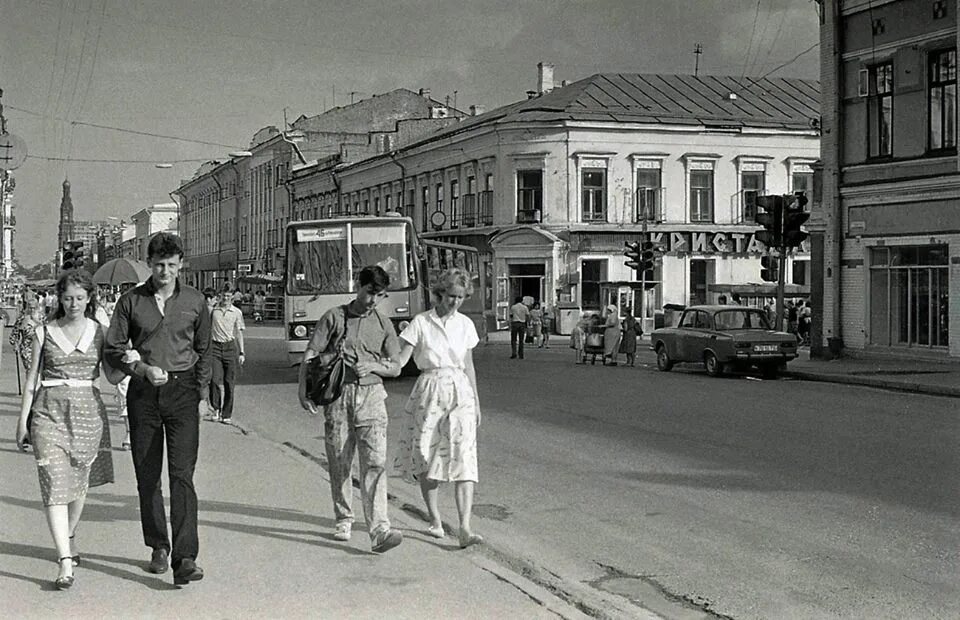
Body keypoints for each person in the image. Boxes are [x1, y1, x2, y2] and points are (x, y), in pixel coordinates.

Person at [105, 232, 211, 586]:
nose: (164, 271)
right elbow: (113, 350)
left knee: (182, 475)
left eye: (171, 264)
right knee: (148, 476)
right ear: (149, 264)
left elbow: (204, 349)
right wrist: (141, 369)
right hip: (144, 394)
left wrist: (200, 391)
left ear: (181, 264)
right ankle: (158, 547)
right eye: (158, 265)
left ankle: (185, 557)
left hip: (182, 394)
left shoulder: (196, 301)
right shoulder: (130, 301)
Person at [16, 269, 119, 589]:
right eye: (67, 298)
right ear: (59, 299)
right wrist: (22, 422)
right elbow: (32, 379)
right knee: (54, 483)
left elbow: (113, 377)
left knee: (78, 483)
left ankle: (70, 534)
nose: (73, 303)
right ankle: (64, 560)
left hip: (88, 414)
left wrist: (131, 359)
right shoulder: (43, 332)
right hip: (49, 415)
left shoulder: (100, 332)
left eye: (79, 297)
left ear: (89, 299)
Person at [297, 265, 404, 553]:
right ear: (359, 285)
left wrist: (375, 366)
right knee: (340, 461)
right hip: (338, 397)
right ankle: (344, 517)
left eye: (380, 296)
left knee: (375, 464)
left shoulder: (384, 323)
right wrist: (303, 389)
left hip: (372, 397)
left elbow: (396, 366)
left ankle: (379, 530)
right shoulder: (334, 317)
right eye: (370, 293)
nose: (373, 301)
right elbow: (311, 354)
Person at [393, 267, 484, 548]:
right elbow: (401, 358)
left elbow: (468, 365)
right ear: (439, 293)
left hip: (460, 392)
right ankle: (434, 520)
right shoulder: (420, 322)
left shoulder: (465, 324)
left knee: (464, 457)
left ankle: (465, 528)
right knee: (428, 456)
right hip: (430, 389)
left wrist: (477, 401)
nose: (454, 302)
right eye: (450, 296)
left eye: (460, 297)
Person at [208, 284, 245, 424]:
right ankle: (216, 409)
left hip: (230, 347)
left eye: (229, 296)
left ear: (232, 297)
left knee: (230, 382)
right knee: (214, 380)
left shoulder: (236, 312)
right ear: (220, 295)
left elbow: (239, 332)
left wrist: (242, 352)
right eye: (224, 295)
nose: (226, 298)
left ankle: (227, 413)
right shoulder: (213, 311)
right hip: (215, 347)